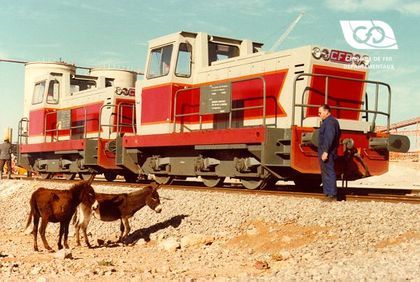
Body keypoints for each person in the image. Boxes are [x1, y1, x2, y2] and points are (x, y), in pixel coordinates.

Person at [318, 104, 341, 201]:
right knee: (325, 172)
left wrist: (326, 151)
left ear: (326, 111)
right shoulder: (329, 122)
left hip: (327, 151)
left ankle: (332, 195)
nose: (319, 114)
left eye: (320, 112)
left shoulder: (330, 122)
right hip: (326, 150)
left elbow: (329, 137)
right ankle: (328, 194)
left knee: (329, 172)